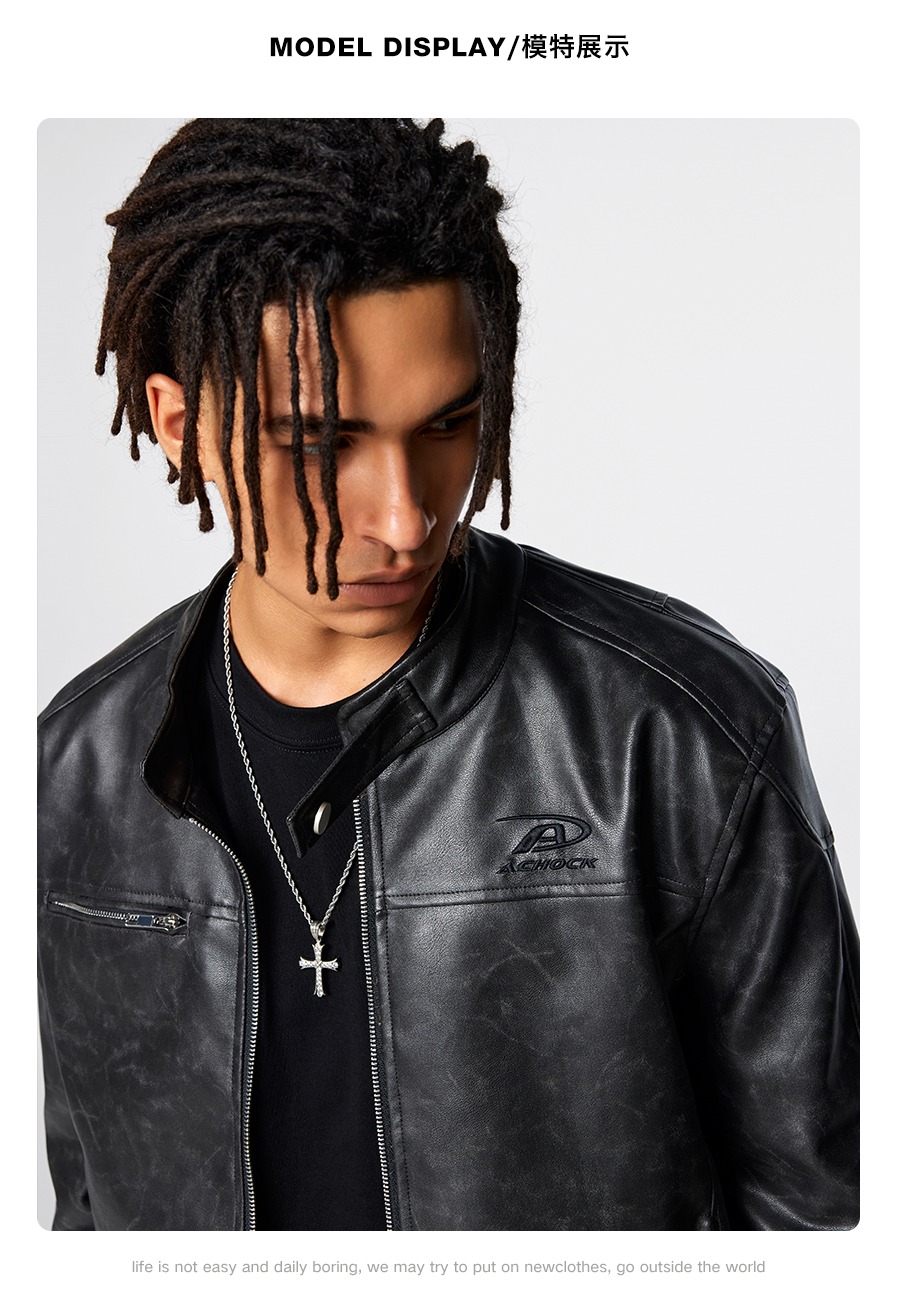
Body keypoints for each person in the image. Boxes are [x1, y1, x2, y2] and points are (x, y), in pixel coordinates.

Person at [37, 117, 859, 1232]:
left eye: (450, 424)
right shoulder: (73, 770)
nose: (407, 516)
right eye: (320, 443)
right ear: (179, 425)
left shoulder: (679, 730)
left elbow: (824, 1216)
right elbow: (90, 1210)